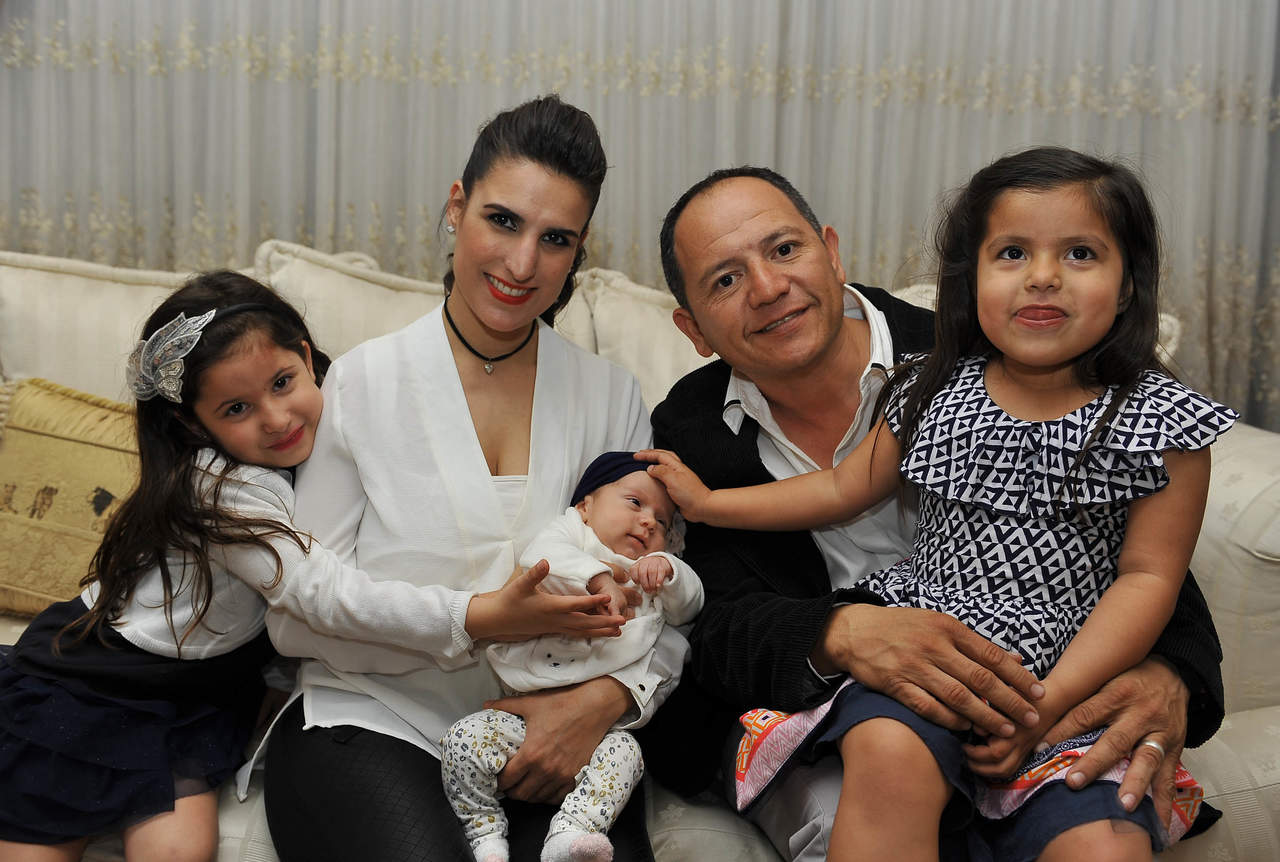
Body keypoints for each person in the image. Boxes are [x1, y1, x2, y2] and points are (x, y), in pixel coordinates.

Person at [641, 147, 1232, 860]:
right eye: (727, 279)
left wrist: (1169, 675)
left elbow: (1142, 568)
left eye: (784, 249)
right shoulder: (695, 429)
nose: (768, 288)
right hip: (877, 694)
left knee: (1105, 839)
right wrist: (837, 629)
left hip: (1057, 677)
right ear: (693, 329)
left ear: (831, 251)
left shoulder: (999, 353)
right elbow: (714, 620)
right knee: (872, 781)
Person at [262, 95, 679, 862]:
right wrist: (478, 619)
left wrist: (602, 699)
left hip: (550, 731)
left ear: (580, 250)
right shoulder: (361, 383)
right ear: (457, 208)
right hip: (376, 718)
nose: (522, 265)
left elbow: (664, 599)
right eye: (503, 221)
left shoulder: (612, 398)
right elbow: (294, 618)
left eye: (555, 239)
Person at [0, 272, 494, 862]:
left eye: (282, 382)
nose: (277, 419)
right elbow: (315, 591)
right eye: (237, 408)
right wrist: (475, 615)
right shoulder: (221, 491)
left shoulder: (338, 430)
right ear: (192, 424)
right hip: (100, 678)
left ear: (306, 358)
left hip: (196, 695)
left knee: (181, 852)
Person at [443, 452, 703, 862]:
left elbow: (690, 608)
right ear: (585, 506)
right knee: (462, 740)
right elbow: (542, 556)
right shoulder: (571, 537)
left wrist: (669, 570)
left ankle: (572, 834)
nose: (649, 522)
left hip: (600, 731)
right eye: (635, 503)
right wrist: (598, 577)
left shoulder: (651, 573)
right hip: (520, 711)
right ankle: (484, 831)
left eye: (662, 521)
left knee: (627, 757)